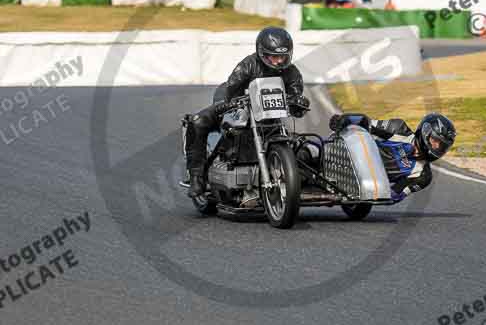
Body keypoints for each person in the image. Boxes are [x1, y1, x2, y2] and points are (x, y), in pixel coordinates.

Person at [185, 27, 310, 198]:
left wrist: (299, 102)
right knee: (198, 121)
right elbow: (230, 89)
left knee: (300, 146)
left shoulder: (292, 73)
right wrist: (228, 103)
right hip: (238, 108)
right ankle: (196, 176)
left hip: (269, 120)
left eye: (282, 56)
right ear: (262, 53)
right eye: (274, 57)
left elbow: (297, 106)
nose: (278, 61)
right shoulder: (248, 65)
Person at [328, 112, 456, 202]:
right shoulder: (399, 129)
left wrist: (392, 194)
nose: (437, 147)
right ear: (425, 132)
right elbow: (366, 123)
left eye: (442, 146)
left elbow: (395, 193)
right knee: (313, 151)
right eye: (435, 141)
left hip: (363, 182)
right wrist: (343, 120)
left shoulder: (423, 175)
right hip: (349, 152)